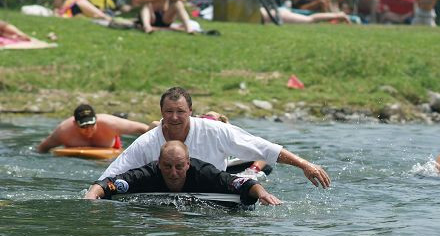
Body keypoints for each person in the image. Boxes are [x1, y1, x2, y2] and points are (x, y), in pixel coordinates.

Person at [83, 87, 330, 199]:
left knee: (252, 172)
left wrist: (304, 164)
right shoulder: (148, 141)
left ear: (191, 111)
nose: (174, 117)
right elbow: (112, 175)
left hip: (214, 185)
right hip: (167, 196)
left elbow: (261, 146)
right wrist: (92, 197)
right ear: (161, 112)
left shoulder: (215, 130)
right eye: (168, 112)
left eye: (180, 111)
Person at [85, 141, 281, 206]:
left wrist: (263, 194)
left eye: (179, 166)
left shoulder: (204, 172)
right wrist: (91, 197)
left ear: (188, 164)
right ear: (159, 164)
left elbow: (241, 183)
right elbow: (109, 183)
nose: (173, 172)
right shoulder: (147, 174)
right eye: (167, 166)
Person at [37, 104, 150, 152]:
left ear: (96, 120)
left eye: (92, 125)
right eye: (84, 126)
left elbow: (144, 128)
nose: (89, 130)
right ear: (75, 124)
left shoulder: (110, 123)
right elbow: (42, 148)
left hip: (110, 151)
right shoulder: (63, 131)